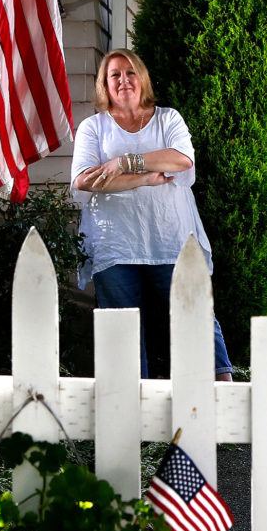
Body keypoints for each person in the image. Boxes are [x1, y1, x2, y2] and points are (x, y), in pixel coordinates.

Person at [71, 48, 232, 381]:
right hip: (114, 242)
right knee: (122, 327)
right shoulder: (94, 128)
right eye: (114, 74)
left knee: (194, 311)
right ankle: (129, 413)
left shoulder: (167, 119)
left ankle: (222, 390)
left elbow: (181, 160)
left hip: (170, 237)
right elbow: (85, 179)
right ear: (104, 84)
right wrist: (145, 177)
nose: (124, 80)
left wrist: (123, 164)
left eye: (130, 72)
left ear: (142, 78)